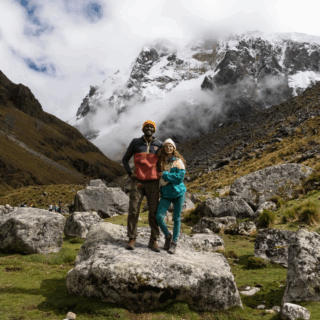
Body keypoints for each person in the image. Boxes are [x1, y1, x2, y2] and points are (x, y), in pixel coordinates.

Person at [122, 120, 163, 252]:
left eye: (151, 127)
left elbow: (165, 161)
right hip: (138, 181)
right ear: (143, 129)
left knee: (154, 212)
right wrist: (130, 174)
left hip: (153, 182)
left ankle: (154, 240)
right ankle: (132, 238)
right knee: (133, 210)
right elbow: (125, 159)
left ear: (154, 130)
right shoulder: (135, 142)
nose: (149, 128)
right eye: (147, 126)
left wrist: (163, 174)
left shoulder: (159, 144)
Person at [156, 139, 187, 254]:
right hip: (166, 193)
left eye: (170, 146)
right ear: (163, 149)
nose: (168, 148)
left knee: (177, 219)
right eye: (166, 146)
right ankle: (167, 236)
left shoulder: (178, 162)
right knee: (159, 216)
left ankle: (174, 243)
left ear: (174, 148)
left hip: (178, 193)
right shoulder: (161, 162)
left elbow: (179, 178)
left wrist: (165, 174)